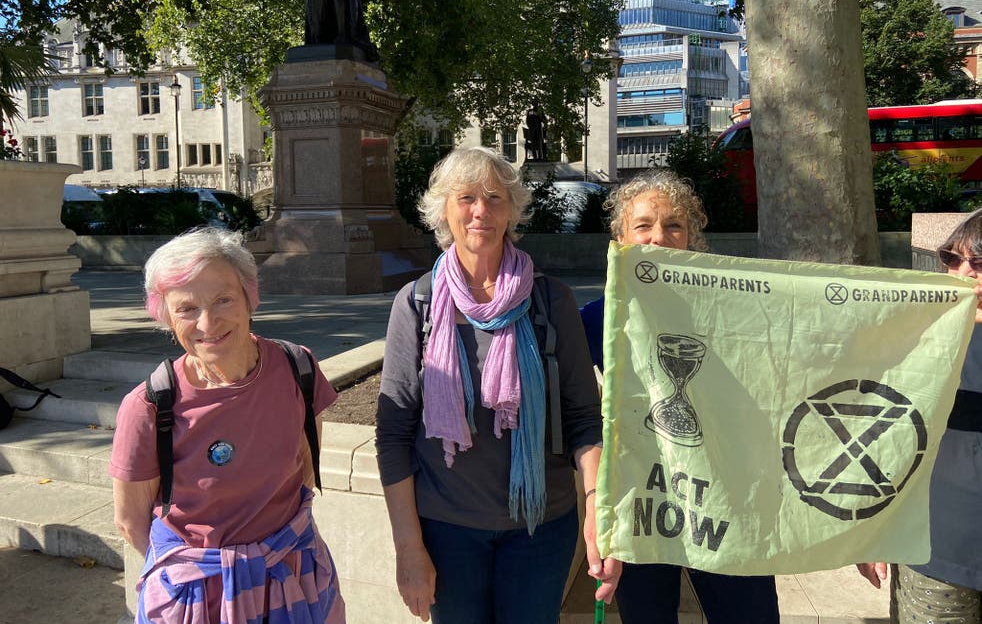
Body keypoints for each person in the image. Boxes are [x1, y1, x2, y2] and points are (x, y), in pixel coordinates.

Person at [375, 146, 620, 623]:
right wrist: (407, 547)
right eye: (466, 197)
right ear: (443, 210)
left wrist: (596, 512)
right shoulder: (416, 304)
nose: (481, 210)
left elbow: (585, 419)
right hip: (445, 531)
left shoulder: (552, 300)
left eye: (494, 197)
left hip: (541, 529)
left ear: (512, 209)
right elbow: (393, 433)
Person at [108, 227, 345, 623]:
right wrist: (209, 570)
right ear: (165, 315)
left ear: (249, 297)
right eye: (186, 308)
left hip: (295, 575)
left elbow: (304, 466)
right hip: (197, 598)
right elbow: (131, 523)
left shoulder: (297, 368)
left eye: (223, 300)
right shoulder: (148, 407)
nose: (207, 322)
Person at [580, 169, 780, 624]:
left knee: (749, 614)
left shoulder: (734, 312)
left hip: (725, 496)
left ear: (692, 238)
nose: (660, 236)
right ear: (621, 237)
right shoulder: (597, 319)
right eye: (644, 225)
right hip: (643, 499)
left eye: (674, 225)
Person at [857, 210, 982, 622]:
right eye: (951, 258)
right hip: (934, 552)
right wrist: (872, 533)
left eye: (979, 263)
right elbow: (887, 438)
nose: (962, 273)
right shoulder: (918, 337)